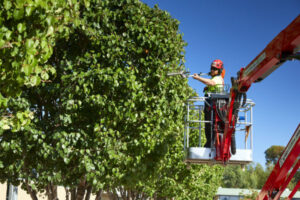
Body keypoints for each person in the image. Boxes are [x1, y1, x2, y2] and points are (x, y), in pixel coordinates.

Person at [192, 59, 225, 147]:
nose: (212, 70)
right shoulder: (214, 77)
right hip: (210, 105)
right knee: (208, 125)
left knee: (212, 125)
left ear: (219, 70)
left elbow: (211, 83)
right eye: (211, 68)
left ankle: (212, 143)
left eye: (214, 69)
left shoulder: (218, 78)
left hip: (215, 106)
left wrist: (198, 78)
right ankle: (209, 142)